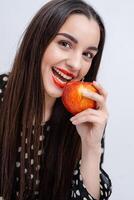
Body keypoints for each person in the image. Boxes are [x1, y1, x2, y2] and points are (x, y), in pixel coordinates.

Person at [0, 0, 112, 199]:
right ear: (38, 40)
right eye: (65, 44)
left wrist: (91, 147)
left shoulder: (85, 116)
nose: (76, 64)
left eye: (87, 54)